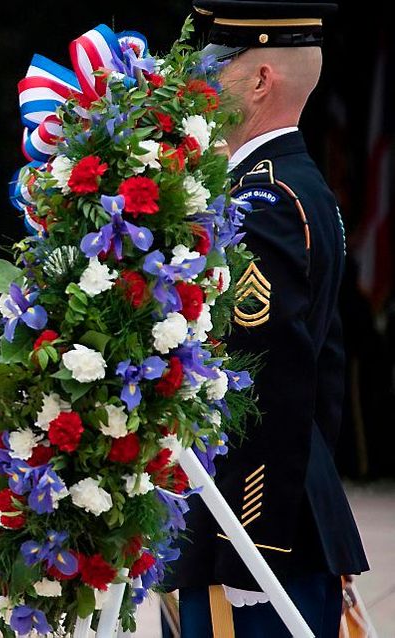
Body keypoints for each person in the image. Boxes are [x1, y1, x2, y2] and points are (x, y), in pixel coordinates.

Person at [170, 2, 370, 636]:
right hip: (281, 520)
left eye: (218, 69)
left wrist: (249, 541)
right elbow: (325, 375)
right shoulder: (294, 187)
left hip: (253, 536)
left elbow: (267, 380)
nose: (202, 85)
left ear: (260, 81)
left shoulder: (265, 202)